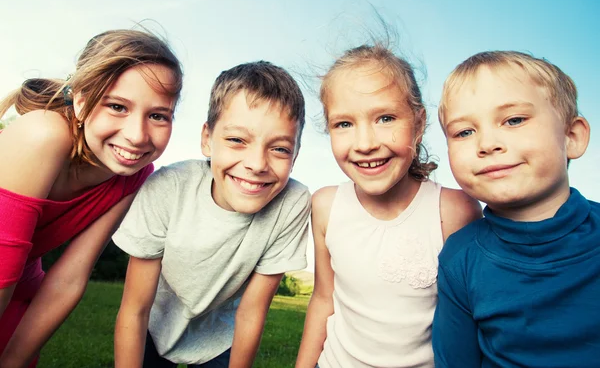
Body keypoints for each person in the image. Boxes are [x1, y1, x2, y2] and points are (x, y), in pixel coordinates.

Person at [0, 29, 183, 367]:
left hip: (21, 290)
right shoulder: (42, 134)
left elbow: (70, 278)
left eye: (158, 115)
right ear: (82, 102)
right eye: (117, 107)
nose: (137, 135)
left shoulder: (136, 175)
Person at [112, 60, 310, 368]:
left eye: (280, 149)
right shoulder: (168, 187)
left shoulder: (292, 203)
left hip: (220, 338)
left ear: (295, 154)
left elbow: (251, 312)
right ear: (207, 139)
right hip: (153, 324)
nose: (257, 164)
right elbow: (135, 308)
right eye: (236, 140)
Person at [295, 43, 481, 368]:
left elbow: (468, 324)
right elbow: (324, 299)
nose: (365, 144)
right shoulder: (326, 205)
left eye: (385, 118)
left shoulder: (454, 211)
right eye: (344, 124)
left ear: (418, 123)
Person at [433, 51, 597, 367]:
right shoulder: (459, 258)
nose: (487, 143)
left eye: (514, 120)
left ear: (572, 137)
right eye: (465, 131)